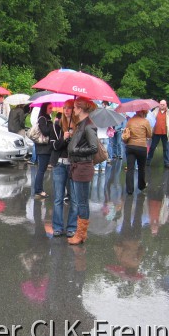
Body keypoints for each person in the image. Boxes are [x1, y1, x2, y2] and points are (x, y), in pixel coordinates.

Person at [67, 97, 98, 245]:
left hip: (83, 168)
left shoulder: (89, 126)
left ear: (80, 108)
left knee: (82, 203)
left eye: (74, 107)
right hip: (77, 166)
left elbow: (93, 148)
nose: (73, 110)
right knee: (80, 202)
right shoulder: (81, 125)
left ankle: (80, 234)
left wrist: (76, 149)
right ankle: (80, 234)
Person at [50, 100, 79, 237]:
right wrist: (64, 137)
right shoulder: (57, 126)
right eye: (65, 108)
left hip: (73, 165)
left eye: (70, 108)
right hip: (60, 164)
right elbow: (55, 146)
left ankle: (72, 227)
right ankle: (57, 227)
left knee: (74, 198)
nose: (67, 110)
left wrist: (74, 137)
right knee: (58, 198)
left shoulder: (79, 127)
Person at [124, 110, 152, 195]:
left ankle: (129, 190)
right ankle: (141, 186)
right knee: (141, 168)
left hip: (130, 146)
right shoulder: (145, 122)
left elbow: (126, 132)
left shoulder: (130, 121)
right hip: (141, 147)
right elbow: (149, 135)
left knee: (130, 169)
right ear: (144, 113)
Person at [33, 103, 55, 199]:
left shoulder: (47, 118)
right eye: (50, 108)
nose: (52, 109)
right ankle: (38, 190)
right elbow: (45, 131)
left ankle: (39, 189)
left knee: (42, 169)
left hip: (46, 148)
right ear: (45, 108)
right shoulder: (42, 118)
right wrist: (52, 126)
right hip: (43, 148)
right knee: (41, 170)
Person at [146, 100, 169, 168]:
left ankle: (166, 163)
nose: (162, 105)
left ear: (166, 105)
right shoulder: (155, 111)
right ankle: (148, 161)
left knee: (166, 148)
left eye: (163, 104)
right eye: (161, 104)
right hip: (156, 132)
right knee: (152, 147)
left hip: (165, 133)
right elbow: (150, 119)